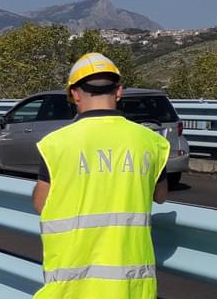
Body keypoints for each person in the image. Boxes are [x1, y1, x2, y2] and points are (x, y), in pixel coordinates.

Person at [32, 53, 170, 299]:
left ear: (75, 94)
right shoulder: (151, 142)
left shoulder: (55, 144)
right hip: (132, 285)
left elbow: (40, 203)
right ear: (119, 92)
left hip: (71, 284)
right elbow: (160, 195)